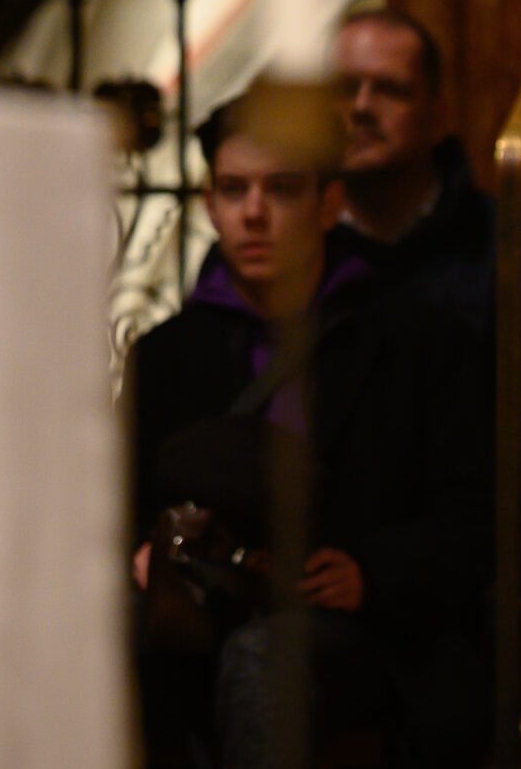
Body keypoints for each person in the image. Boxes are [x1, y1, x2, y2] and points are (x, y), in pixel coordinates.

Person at [126, 95, 490, 768]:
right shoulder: (167, 354)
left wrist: (371, 572)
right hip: (197, 616)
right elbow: (116, 509)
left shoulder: (415, 340)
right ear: (209, 204)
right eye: (233, 189)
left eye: (282, 189)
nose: (253, 212)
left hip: (364, 633)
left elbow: (474, 515)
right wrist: (146, 551)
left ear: (329, 203)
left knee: (263, 662)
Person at [331, 10, 521, 494]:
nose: (361, 107)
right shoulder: (284, 249)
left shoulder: (517, 250)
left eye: (390, 89)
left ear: (437, 118)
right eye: (345, 88)